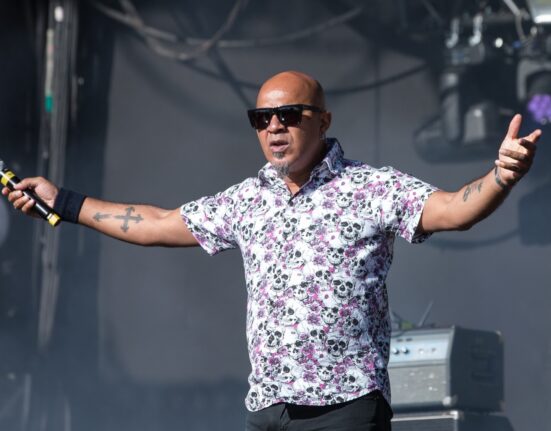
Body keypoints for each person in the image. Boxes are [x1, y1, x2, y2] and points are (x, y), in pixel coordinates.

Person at [2, 71, 541, 431]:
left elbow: (451, 210)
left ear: (323, 120)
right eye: (262, 119)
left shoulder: (370, 188)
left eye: (289, 114)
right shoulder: (247, 199)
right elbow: (158, 223)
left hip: (345, 408)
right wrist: (64, 202)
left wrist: (501, 175)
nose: (275, 127)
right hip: (267, 410)